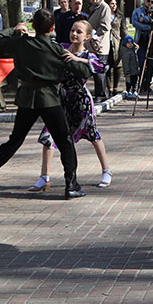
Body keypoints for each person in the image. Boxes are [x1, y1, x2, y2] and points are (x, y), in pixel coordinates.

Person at [0, 9, 90, 200]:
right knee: (64, 140)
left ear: (33, 26)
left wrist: (14, 30)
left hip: (26, 98)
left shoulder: (22, 43)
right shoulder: (56, 49)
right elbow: (83, 71)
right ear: (53, 28)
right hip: (49, 99)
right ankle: (71, 184)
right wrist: (77, 59)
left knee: (14, 141)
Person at [31, 19, 114, 192]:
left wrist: (77, 59)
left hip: (81, 101)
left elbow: (102, 67)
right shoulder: (61, 48)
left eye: (79, 32)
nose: (74, 34)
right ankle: (44, 176)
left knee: (92, 134)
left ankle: (106, 170)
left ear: (87, 36)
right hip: (61, 99)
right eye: (72, 30)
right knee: (48, 135)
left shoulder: (87, 56)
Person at [87, 0, 113, 101]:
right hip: (92, 44)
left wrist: (95, 35)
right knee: (95, 69)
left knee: (99, 69)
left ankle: (101, 94)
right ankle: (99, 92)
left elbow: (105, 26)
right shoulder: (95, 7)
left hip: (100, 45)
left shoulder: (104, 7)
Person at [131, 0, 153, 94]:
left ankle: (148, 84)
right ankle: (141, 83)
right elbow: (135, 22)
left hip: (152, 41)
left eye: (152, 2)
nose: (150, 4)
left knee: (151, 64)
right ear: (144, 1)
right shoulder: (137, 11)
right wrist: (148, 27)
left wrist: (145, 20)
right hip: (141, 40)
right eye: (148, 1)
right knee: (142, 62)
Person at [106, 0, 124, 95]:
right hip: (106, 42)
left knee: (117, 65)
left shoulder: (120, 16)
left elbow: (123, 29)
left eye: (115, 4)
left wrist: (127, 40)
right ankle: (109, 87)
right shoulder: (104, 15)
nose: (113, 6)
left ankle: (116, 86)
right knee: (107, 65)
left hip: (116, 42)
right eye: (112, 4)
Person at [120, 35, 140, 99]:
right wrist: (127, 71)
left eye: (131, 43)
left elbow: (136, 49)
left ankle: (134, 90)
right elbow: (125, 63)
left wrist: (136, 46)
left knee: (135, 81)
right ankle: (129, 91)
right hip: (129, 71)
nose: (130, 45)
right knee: (129, 81)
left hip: (135, 70)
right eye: (128, 43)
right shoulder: (125, 52)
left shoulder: (133, 50)